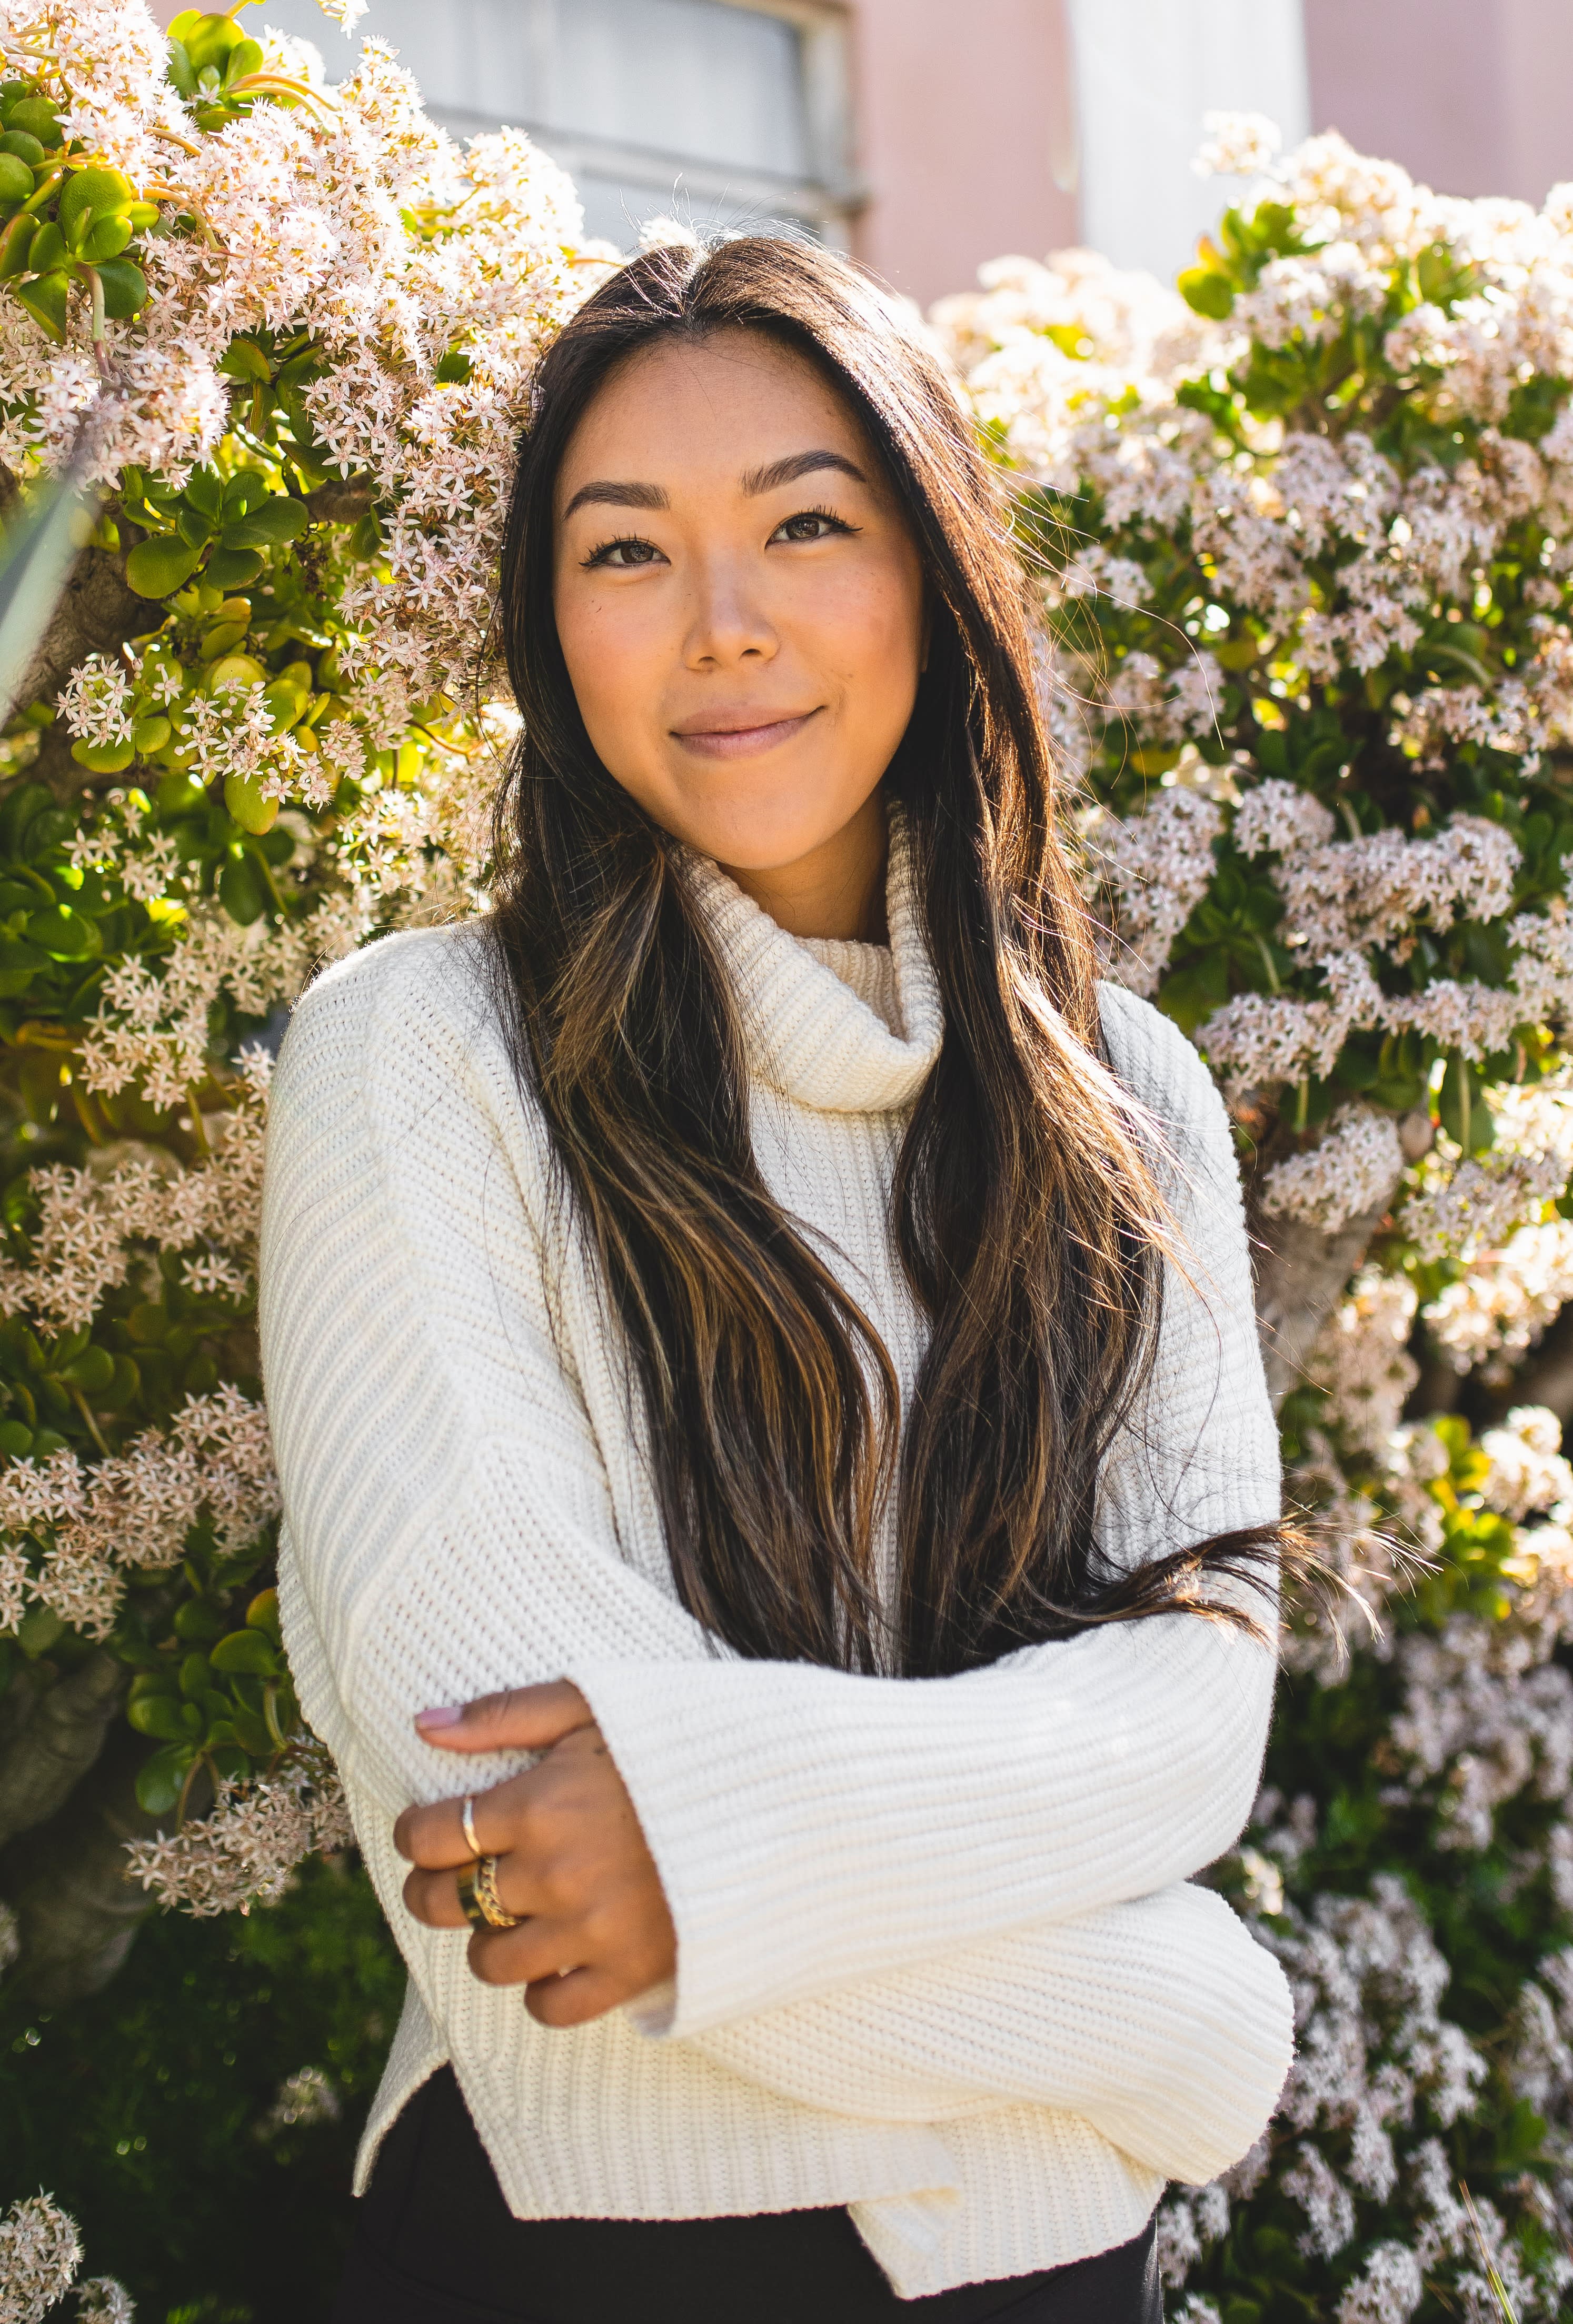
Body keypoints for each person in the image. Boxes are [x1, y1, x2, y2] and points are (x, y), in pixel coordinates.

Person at [259, 235, 1295, 2324]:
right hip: (585, 2252)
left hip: (1053, 2265)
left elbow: (1186, 1707)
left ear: (932, 567)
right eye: (625, 553)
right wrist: (1176, 2004)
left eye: (805, 525)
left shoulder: (1129, 1100)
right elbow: (510, 1822)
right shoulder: (425, 1049)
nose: (723, 628)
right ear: (556, 632)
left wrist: (714, 1850)